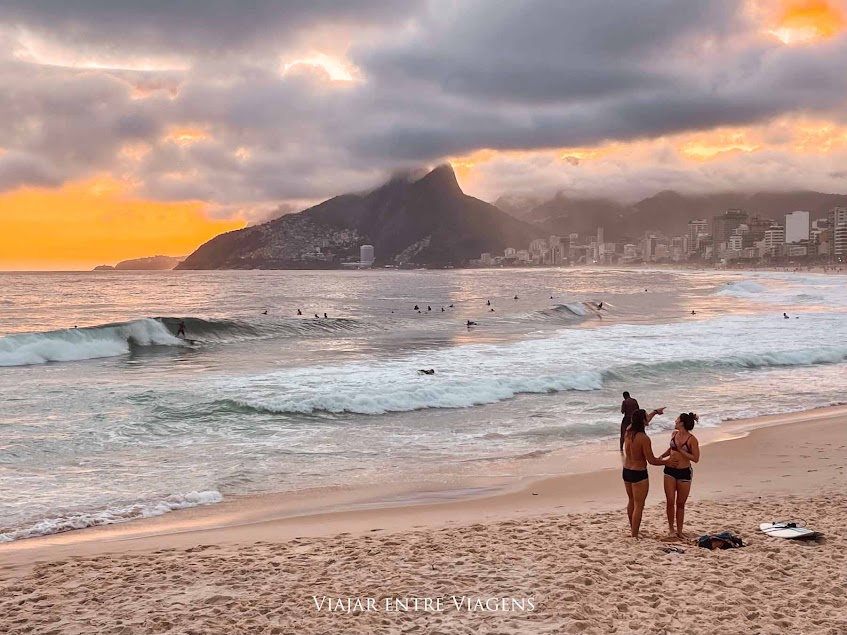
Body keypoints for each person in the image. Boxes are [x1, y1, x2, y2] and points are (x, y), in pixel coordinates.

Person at [622, 407, 666, 538]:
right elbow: (651, 460)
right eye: (646, 418)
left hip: (626, 470)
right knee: (639, 505)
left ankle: (633, 529)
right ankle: (635, 534)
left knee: (631, 501)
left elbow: (644, 420)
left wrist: (655, 412)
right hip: (638, 473)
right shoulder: (644, 438)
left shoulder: (628, 431)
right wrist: (667, 461)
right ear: (642, 421)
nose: (648, 419)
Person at [660, 413, 700, 539]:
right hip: (670, 471)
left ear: (682, 423)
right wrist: (661, 457)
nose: (675, 421)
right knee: (670, 501)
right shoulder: (674, 434)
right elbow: (670, 449)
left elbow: (696, 458)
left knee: (680, 503)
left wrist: (681, 450)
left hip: (684, 472)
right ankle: (671, 529)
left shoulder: (692, 440)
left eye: (677, 419)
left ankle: (680, 530)